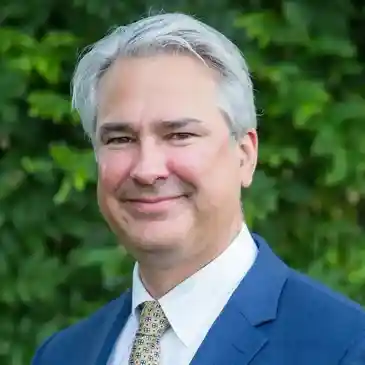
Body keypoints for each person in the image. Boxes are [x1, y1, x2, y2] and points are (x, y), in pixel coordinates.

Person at [32, 12, 365, 365]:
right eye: (120, 138)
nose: (147, 170)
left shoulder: (345, 347)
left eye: (179, 135)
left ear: (245, 155)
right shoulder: (62, 354)